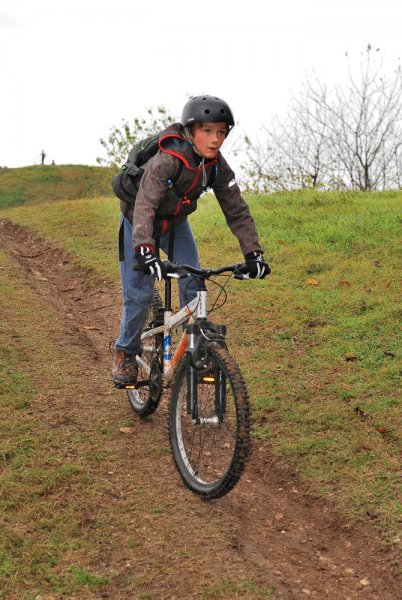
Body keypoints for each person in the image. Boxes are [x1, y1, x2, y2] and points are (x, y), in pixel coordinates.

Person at [112, 95, 270, 386]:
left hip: (174, 224)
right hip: (138, 222)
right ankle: (125, 351)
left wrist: (254, 255)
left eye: (221, 132)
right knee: (139, 296)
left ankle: (198, 352)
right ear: (191, 129)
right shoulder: (168, 159)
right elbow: (145, 203)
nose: (215, 139)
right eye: (207, 131)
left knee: (194, 282)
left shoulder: (217, 167)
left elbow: (237, 210)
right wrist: (145, 251)